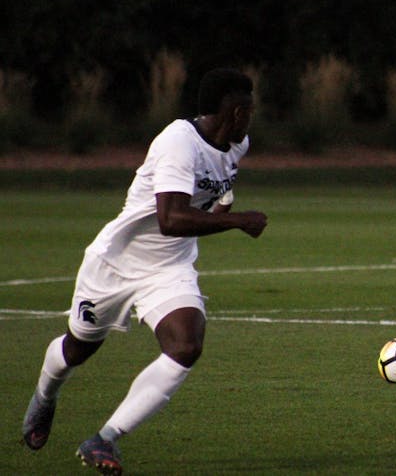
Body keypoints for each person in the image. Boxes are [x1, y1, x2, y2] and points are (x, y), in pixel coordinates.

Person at [21, 67, 268, 474]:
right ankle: (45, 396)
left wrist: (223, 208)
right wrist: (237, 221)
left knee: (186, 346)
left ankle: (104, 439)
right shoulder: (177, 142)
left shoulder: (237, 145)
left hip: (169, 267)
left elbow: (209, 196)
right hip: (116, 263)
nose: (252, 118)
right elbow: (170, 218)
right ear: (238, 111)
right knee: (76, 350)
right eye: (251, 110)